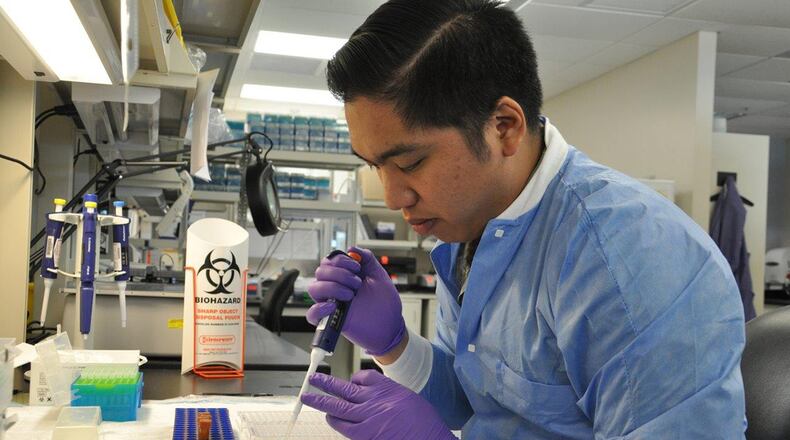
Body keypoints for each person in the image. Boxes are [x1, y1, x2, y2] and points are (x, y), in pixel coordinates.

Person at [300, 0, 747, 438]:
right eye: (375, 165)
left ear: (504, 126)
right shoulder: (472, 226)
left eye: (411, 162)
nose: (395, 196)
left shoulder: (631, 260)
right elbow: (479, 402)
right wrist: (394, 344)